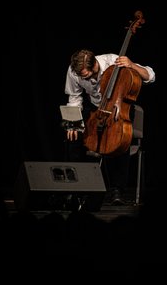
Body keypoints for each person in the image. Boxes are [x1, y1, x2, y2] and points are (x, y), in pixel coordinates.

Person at [63, 49, 155, 205]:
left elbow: (150, 76)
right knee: (74, 137)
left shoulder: (114, 61)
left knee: (120, 140)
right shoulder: (74, 71)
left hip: (119, 108)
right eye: (82, 77)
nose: (87, 79)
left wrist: (132, 65)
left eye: (88, 75)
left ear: (94, 65)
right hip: (95, 109)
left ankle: (117, 190)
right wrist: (73, 123)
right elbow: (74, 98)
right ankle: (80, 188)